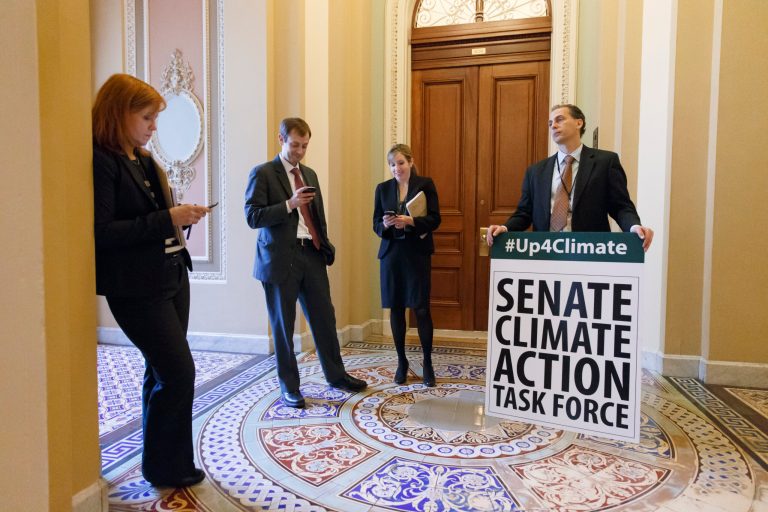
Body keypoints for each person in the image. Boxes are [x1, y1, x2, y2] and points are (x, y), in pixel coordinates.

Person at [92, 74, 210, 487]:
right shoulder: (102, 161)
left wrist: (181, 215)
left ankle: (161, 462)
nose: (153, 126)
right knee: (178, 373)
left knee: (160, 372)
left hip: (172, 276)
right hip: (136, 287)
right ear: (118, 113)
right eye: (146, 117)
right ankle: (166, 466)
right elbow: (102, 232)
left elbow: (156, 219)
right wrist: (168, 218)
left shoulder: (143, 161)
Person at [245, 117, 367, 408]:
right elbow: (252, 216)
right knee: (283, 327)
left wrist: (324, 245)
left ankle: (336, 376)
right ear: (281, 139)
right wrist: (289, 204)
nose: (299, 151)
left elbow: (318, 215)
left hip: (311, 255)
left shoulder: (309, 173)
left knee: (325, 318)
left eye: (304, 146)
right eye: (295, 145)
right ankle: (290, 388)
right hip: (278, 259)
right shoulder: (262, 173)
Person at [487, 104, 654, 251]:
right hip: (545, 252)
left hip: (590, 251)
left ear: (578, 123)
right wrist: (504, 228)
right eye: (551, 123)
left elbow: (620, 206)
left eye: (560, 119)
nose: (554, 126)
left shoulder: (605, 162)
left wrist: (634, 227)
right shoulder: (536, 171)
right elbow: (524, 213)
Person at [373, 144, 441, 387]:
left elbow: (435, 219)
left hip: (416, 254)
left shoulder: (425, 185)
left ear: (410, 162)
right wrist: (387, 224)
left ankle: (427, 363)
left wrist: (411, 221)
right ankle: (401, 362)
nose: (396, 168)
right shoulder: (382, 189)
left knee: (421, 309)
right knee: (396, 308)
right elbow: (376, 226)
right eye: (392, 164)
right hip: (391, 256)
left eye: (400, 163)